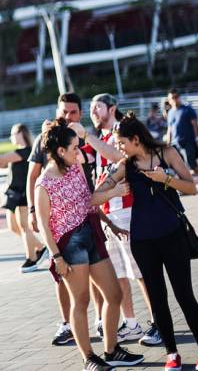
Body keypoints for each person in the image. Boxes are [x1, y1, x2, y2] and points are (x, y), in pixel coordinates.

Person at [92, 114, 198, 370]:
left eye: (121, 142)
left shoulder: (166, 153)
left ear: (136, 139)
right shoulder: (125, 165)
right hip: (143, 241)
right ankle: (172, 354)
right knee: (158, 300)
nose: (119, 148)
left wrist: (165, 179)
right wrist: (114, 190)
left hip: (172, 235)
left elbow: (191, 187)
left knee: (184, 295)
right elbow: (94, 197)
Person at [35, 119, 144, 370]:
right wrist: (56, 257)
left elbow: (88, 201)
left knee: (114, 294)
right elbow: (42, 224)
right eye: (74, 148)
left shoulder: (75, 168)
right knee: (81, 302)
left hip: (91, 233)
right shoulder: (44, 184)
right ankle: (88, 358)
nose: (78, 151)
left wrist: (110, 224)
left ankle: (111, 350)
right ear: (60, 151)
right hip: (69, 245)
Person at [80, 94, 161, 347]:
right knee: (119, 273)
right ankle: (131, 322)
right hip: (108, 212)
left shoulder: (120, 130)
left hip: (126, 210)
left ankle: (158, 322)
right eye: (91, 107)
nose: (93, 111)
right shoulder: (99, 137)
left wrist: (86, 136)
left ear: (112, 108)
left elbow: (118, 157)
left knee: (139, 271)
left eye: (98, 106)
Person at [28, 92, 99, 346]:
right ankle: (67, 324)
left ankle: (101, 320)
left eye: (72, 112)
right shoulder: (47, 138)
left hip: (91, 209)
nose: (67, 116)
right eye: (63, 111)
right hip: (63, 222)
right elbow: (33, 175)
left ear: (80, 113)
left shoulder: (85, 136)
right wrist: (33, 210)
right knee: (65, 275)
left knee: (98, 270)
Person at [0, 123, 47, 273]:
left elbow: (1, 160)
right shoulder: (18, 153)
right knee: (13, 227)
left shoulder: (25, 151)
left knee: (24, 227)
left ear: (22, 133)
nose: (11, 137)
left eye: (13, 133)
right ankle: (41, 248)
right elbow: (1, 165)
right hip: (13, 194)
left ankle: (32, 258)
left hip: (23, 194)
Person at [164, 89, 198, 190]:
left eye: (176, 97)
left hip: (188, 141)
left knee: (191, 165)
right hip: (176, 144)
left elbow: (195, 125)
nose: (175, 99)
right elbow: (170, 130)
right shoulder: (170, 113)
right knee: (177, 166)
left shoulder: (187, 109)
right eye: (172, 98)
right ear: (169, 100)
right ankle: (185, 186)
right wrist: (167, 144)